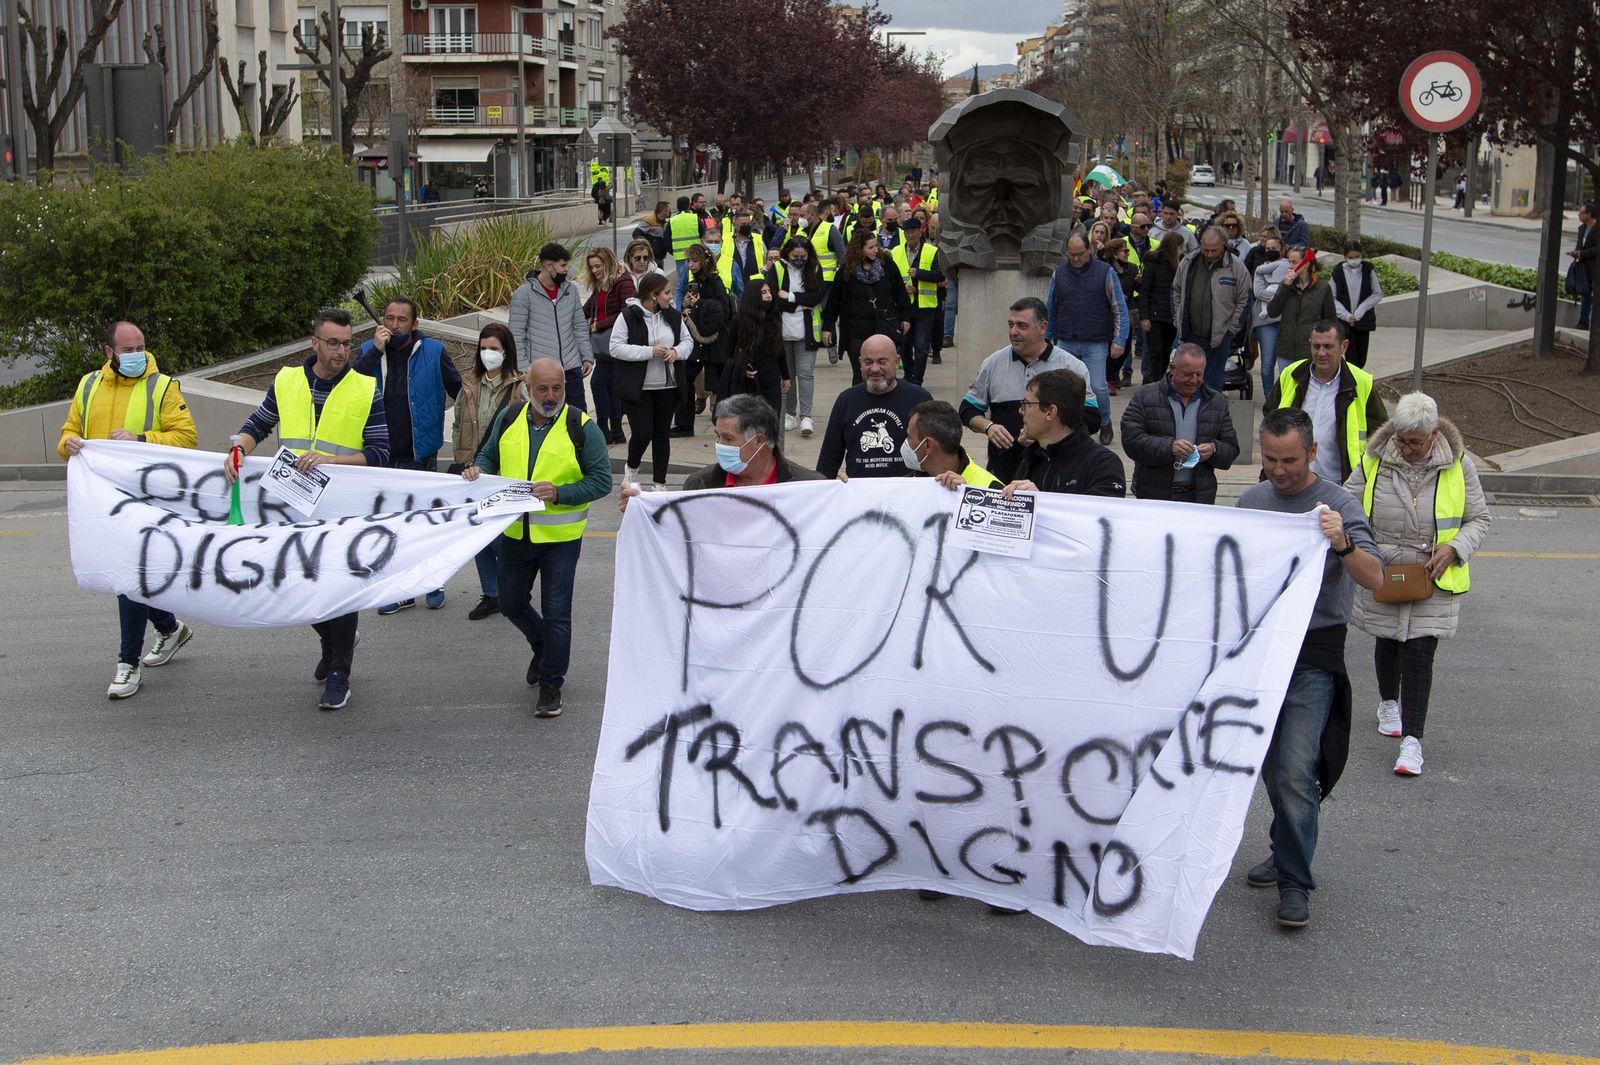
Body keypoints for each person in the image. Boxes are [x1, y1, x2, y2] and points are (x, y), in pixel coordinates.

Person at [1238, 407, 1384, 929]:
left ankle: (1296, 881)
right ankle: (1284, 849)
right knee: (1272, 768)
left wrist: (1341, 541)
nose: (1279, 471)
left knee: (1298, 769)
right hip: (1259, 653)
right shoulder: (1252, 501)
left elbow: (1375, 578)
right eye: (1271, 460)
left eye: (1290, 462)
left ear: (1313, 452)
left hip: (1313, 654)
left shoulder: (1339, 504)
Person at [225, 308, 388, 711]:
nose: (341, 351)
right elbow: (258, 424)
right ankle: (334, 642)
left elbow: (380, 453)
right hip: (291, 508)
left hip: (341, 509)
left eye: (348, 343)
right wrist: (238, 448)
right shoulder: (286, 381)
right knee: (291, 586)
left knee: (338, 591)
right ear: (314, 343)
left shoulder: (366, 388)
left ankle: (339, 673)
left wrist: (334, 461)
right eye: (333, 342)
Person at [1345, 393, 1492, 776]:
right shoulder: (1375, 458)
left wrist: (1454, 548)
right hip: (1385, 569)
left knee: (1419, 653)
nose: (1407, 449)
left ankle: (1412, 742)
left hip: (1433, 576)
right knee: (1389, 641)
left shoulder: (1459, 465)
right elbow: (1346, 503)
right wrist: (1365, 548)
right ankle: (1386, 701)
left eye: (1416, 442)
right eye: (1402, 439)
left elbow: (1479, 519)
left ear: (1434, 434)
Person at [463, 358, 613, 717]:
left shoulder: (580, 426)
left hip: (560, 539)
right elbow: (488, 453)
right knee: (511, 602)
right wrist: (478, 468)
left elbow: (602, 481)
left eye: (557, 388)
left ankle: (551, 684)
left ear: (565, 387)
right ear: (528, 388)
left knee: (557, 612)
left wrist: (559, 493)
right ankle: (543, 645)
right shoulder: (511, 416)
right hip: (515, 533)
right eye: (542, 389)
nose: (550, 396)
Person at [59, 320, 199, 700]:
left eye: (141, 348)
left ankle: (128, 663)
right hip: (103, 500)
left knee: (128, 577)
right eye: (128, 350)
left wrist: (140, 439)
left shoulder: (162, 386)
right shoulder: (89, 385)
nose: (137, 356)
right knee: (128, 576)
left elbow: (186, 437)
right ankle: (170, 629)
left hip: (148, 500)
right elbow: (69, 431)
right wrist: (68, 444)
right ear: (109, 353)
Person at [355, 296, 461, 614]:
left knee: (424, 523)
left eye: (402, 320)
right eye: (389, 318)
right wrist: (374, 349)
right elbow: (350, 385)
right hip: (381, 455)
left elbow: (460, 390)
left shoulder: (433, 351)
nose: (394, 325)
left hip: (421, 452)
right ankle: (401, 590)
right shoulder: (367, 352)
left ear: (414, 324)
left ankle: (433, 581)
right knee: (391, 526)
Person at [960, 296, 1100, 482]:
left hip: (1055, 473)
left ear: (1043, 327)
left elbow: (1091, 417)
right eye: (1011, 325)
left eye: (1022, 326)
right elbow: (967, 409)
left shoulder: (1072, 367)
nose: (1013, 332)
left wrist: (1047, 434)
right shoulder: (993, 363)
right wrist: (989, 427)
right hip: (1003, 473)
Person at [621, 394, 823, 511]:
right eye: (718, 437)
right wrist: (639, 509)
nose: (719, 445)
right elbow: (676, 540)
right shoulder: (699, 484)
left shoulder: (810, 487)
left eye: (728, 439)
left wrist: (845, 493)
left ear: (759, 441)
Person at [452, 322, 525, 622]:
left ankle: (514, 588)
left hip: (503, 473)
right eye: (483, 348)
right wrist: (462, 461)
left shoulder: (519, 387)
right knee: (478, 536)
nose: (487, 354)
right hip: (472, 471)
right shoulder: (469, 383)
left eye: (493, 349)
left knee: (503, 537)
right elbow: (459, 425)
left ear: (505, 351)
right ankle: (491, 593)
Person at [1266, 319, 1389, 492]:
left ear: (1344, 346)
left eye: (1328, 346)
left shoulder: (1362, 383)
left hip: (1339, 485)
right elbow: (1269, 420)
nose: (1321, 353)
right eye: (1316, 346)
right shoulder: (1291, 375)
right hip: (1290, 483)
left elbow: (1381, 435)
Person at [1119, 342, 1239, 503]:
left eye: (1199, 374)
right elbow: (1131, 441)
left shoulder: (1216, 402)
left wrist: (1214, 450)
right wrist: (1169, 447)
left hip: (1199, 497)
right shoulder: (1145, 396)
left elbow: (1231, 449)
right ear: (1172, 368)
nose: (1194, 380)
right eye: (1188, 374)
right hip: (1153, 495)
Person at [611, 272, 693, 490]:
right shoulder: (628, 316)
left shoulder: (673, 316)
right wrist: (650, 351)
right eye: (666, 293)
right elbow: (615, 347)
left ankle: (659, 483)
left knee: (661, 435)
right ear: (653, 295)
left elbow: (687, 341)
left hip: (668, 386)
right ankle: (631, 469)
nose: (670, 297)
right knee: (642, 433)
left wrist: (676, 352)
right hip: (639, 388)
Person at [1046, 231, 1129, 445]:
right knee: (1066, 388)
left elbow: (1119, 307)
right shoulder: (1059, 274)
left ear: (1089, 250)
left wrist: (1120, 339)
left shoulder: (1105, 272)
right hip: (1066, 339)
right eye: (1072, 254)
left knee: (1098, 386)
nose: (1076, 259)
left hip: (1095, 340)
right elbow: (1051, 308)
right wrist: (1047, 338)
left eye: (1080, 254)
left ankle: (1104, 421)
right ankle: (1070, 427)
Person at [815, 334, 931, 479]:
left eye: (882, 361)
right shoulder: (846, 401)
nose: (875, 369)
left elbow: (934, 455)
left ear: (897, 362)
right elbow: (828, 461)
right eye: (868, 362)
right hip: (859, 496)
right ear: (860, 363)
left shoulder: (919, 399)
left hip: (907, 495)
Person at [1003, 369, 1125, 497]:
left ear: (1050, 412)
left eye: (1026, 404)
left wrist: (1041, 501)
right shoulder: (1033, 458)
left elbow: (1104, 514)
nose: (1021, 411)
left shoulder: (1103, 464)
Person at [821, 229, 911, 387]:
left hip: (884, 326)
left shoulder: (887, 265)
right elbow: (834, 301)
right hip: (857, 330)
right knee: (861, 373)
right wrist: (827, 326)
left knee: (886, 372)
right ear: (859, 249)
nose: (875, 250)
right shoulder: (846, 272)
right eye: (870, 247)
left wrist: (905, 317)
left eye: (876, 246)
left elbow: (900, 292)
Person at [509, 243, 592, 412]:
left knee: (577, 418)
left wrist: (587, 356)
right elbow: (515, 335)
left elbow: (579, 326)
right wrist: (525, 369)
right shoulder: (524, 294)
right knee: (547, 415)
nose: (566, 269)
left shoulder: (571, 290)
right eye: (563, 265)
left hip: (571, 370)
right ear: (549, 266)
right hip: (542, 375)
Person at [1172, 227, 1252, 391]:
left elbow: (1245, 299)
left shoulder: (1236, 267)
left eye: (1213, 250)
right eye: (1206, 249)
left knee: (1213, 385)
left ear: (1223, 245)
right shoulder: (1188, 262)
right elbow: (1176, 290)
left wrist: (1231, 329)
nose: (1209, 254)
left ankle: (1209, 415)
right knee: (1187, 382)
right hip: (1190, 334)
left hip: (1219, 337)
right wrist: (1177, 318)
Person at [721, 278, 790, 440]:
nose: (768, 296)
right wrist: (740, 369)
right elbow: (728, 353)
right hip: (749, 381)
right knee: (749, 427)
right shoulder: (739, 322)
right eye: (763, 293)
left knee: (771, 425)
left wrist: (785, 376)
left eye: (769, 292)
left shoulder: (774, 318)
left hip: (771, 379)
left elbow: (779, 349)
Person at [769, 236, 824, 437]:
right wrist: (802, 303)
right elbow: (774, 298)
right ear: (788, 254)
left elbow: (817, 296)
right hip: (783, 332)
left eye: (803, 256)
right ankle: (790, 413)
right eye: (795, 256)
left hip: (806, 332)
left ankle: (806, 416)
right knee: (788, 376)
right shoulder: (778, 269)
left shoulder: (815, 269)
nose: (799, 259)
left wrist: (791, 297)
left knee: (806, 373)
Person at [676, 243, 733, 434]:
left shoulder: (714, 281)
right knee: (685, 378)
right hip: (699, 340)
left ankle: (722, 427)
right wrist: (688, 304)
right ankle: (684, 424)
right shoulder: (697, 281)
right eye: (688, 260)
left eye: (694, 260)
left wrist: (698, 304)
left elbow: (722, 310)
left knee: (718, 385)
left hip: (713, 341)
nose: (690, 264)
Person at [582, 247, 635, 447]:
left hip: (615, 341)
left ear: (608, 262)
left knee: (597, 383)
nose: (595, 270)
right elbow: (589, 307)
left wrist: (598, 325)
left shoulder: (623, 282)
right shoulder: (602, 284)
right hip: (606, 343)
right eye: (592, 267)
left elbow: (627, 311)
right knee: (610, 387)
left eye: (598, 266)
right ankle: (616, 430)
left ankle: (604, 427)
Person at [889, 215, 945, 385]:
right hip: (904, 307)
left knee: (921, 347)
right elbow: (891, 278)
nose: (910, 235)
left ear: (920, 232)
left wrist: (919, 273)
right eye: (907, 232)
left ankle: (917, 379)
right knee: (905, 345)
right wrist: (903, 288)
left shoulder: (931, 251)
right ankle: (908, 374)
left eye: (913, 232)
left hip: (925, 307)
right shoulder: (896, 252)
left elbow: (940, 275)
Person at [1265, 248, 1337, 373]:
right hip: (1285, 348)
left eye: (1294, 262)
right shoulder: (1286, 285)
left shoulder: (1323, 288)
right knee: (1288, 388)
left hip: (1310, 349)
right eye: (1289, 262)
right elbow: (1272, 312)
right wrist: (1285, 287)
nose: (1290, 266)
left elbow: (1330, 320)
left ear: (1306, 263)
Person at [902, 400, 1002, 488]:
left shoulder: (991, 489)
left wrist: (967, 497)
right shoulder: (910, 482)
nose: (905, 442)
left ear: (928, 445)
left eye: (909, 437)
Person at [1137, 232, 1185, 383]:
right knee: (1155, 353)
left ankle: (1158, 380)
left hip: (1171, 316)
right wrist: (1144, 316)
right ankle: (1153, 381)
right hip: (1155, 315)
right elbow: (1144, 291)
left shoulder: (1180, 266)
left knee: (1165, 353)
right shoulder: (1153, 264)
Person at [1331, 239, 1384, 369]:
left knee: (1361, 358)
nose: (1354, 260)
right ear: (1345, 257)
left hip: (1363, 322)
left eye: (1356, 257)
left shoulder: (1368, 270)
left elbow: (1377, 293)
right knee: (1351, 359)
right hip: (1345, 323)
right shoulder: (1338, 272)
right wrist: (1346, 316)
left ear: (1362, 255)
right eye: (1350, 257)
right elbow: (1332, 297)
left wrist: (1359, 313)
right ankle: (1351, 384)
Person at [1252, 233, 1290, 395]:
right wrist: (1279, 296)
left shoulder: (1289, 266)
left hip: (1286, 321)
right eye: (1267, 248)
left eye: (1274, 248)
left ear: (1282, 249)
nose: (1270, 251)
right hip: (1265, 322)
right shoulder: (1260, 270)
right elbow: (1258, 292)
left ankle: (1285, 396)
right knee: (1267, 363)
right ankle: (1269, 397)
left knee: (1286, 365)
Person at [1100, 238, 1138, 394]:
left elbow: (1136, 289)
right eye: (1125, 251)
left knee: (1126, 347)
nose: (1127, 254)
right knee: (1110, 347)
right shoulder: (1106, 270)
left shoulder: (1132, 269)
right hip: (1109, 314)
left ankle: (1114, 372)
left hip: (1126, 311)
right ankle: (1110, 378)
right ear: (1115, 254)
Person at [1569, 201, 1596, 328]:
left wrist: (1582, 253)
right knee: (1585, 294)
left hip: (1595, 268)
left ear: (1589, 214)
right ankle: (1583, 321)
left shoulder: (1596, 229)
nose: (1579, 215)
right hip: (1583, 267)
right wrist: (1576, 252)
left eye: (1581, 213)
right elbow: (1581, 245)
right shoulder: (1582, 228)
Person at [668, 195, 702, 266]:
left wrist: (674, 251)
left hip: (679, 256)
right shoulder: (695, 218)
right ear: (689, 205)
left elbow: (666, 240)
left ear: (677, 207)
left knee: (682, 276)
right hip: (695, 254)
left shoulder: (672, 220)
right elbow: (703, 235)